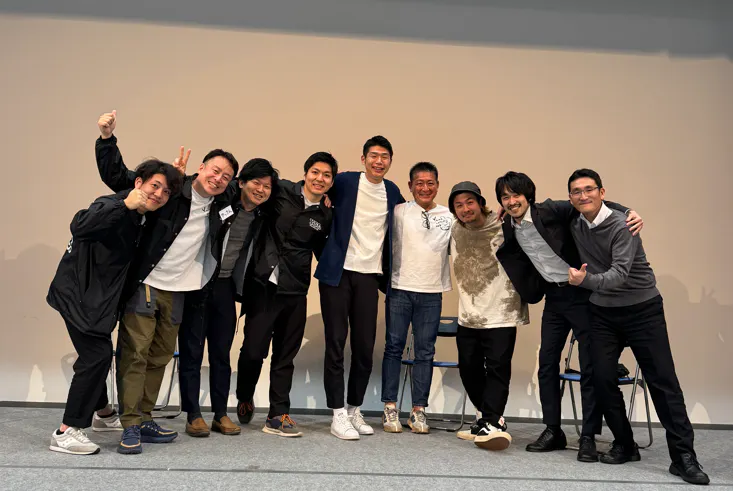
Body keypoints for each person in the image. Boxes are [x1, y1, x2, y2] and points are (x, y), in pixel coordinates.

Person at [95, 110, 239, 453]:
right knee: (135, 354)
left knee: (159, 356)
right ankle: (130, 424)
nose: (219, 178)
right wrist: (106, 139)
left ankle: (145, 417)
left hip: (180, 290)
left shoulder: (222, 203)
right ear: (201, 167)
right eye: (215, 170)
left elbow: (257, 191)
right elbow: (121, 179)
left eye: (226, 176)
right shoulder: (172, 190)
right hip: (147, 283)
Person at [566, 169, 709, 485]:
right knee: (600, 378)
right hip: (603, 313)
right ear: (571, 198)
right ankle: (625, 443)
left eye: (589, 189)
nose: (583, 195)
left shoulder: (623, 224)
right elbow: (543, 210)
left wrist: (584, 280)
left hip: (642, 309)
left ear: (602, 192)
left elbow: (619, 274)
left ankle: (684, 458)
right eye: (576, 191)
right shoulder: (575, 222)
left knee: (663, 383)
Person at [494, 171, 643, 462]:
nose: (511, 202)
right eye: (505, 197)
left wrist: (627, 211)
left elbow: (588, 203)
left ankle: (588, 436)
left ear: (528, 196)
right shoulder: (509, 225)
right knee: (547, 363)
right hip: (554, 296)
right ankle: (553, 430)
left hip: (582, 294)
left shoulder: (550, 210)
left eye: (516, 195)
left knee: (589, 367)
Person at [47, 159, 182, 454]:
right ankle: (66, 431)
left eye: (166, 191)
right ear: (138, 183)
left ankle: (105, 414)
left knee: (96, 357)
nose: (159, 194)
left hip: (98, 299)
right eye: (154, 186)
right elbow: (80, 224)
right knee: (96, 357)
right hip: (78, 295)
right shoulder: (113, 204)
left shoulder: (144, 217)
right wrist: (124, 205)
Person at [235, 152, 336, 437]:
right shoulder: (281, 191)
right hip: (264, 286)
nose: (319, 179)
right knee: (253, 351)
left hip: (296, 291)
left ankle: (278, 414)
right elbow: (251, 189)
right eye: (315, 172)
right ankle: (245, 394)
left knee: (284, 356)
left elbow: (323, 252)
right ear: (305, 173)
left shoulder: (325, 215)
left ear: (331, 182)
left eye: (326, 175)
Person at [314, 136, 405, 440]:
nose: (379, 161)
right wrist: (325, 199)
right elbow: (314, 187)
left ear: (390, 161)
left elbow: (408, 219)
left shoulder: (392, 191)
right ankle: (337, 413)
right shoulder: (345, 181)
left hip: (369, 275)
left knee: (365, 347)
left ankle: (354, 408)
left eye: (385, 157)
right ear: (364, 158)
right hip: (338, 274)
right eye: (374, 156)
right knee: (336, 342)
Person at [180, 158, 276, 438]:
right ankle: (193, 415)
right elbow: (200, 185)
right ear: (241, 182)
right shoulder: (221, 201)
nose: (261, 189)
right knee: (192, 351)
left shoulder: (261, 217)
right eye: (255, 182)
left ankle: (220, 413)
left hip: (224, 287)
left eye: (267, 186)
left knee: (221, 354)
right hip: (198, 282)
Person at [449, 182, 528, 451]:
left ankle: (492, 422)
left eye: (469, 202)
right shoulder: (454, 228)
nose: (465, 209)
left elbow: (543, 213)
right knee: (468, 369)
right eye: (458, 205)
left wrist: (623, 211)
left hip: (502, 311)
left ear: (481, 203)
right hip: (468, 314)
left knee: (497, 369)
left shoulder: (504, 224)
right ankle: (488, 418)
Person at [380, 162, 453, 434]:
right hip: (400, 288)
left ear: (437, 185)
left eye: (430, 183)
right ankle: (390, 407)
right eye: (419, 183)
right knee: (393, 347)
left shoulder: (449, 215)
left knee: (425, 351)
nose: (425, 188)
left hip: (432, 292)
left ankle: (418, 411)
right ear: (410, 186)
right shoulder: (398, 211)